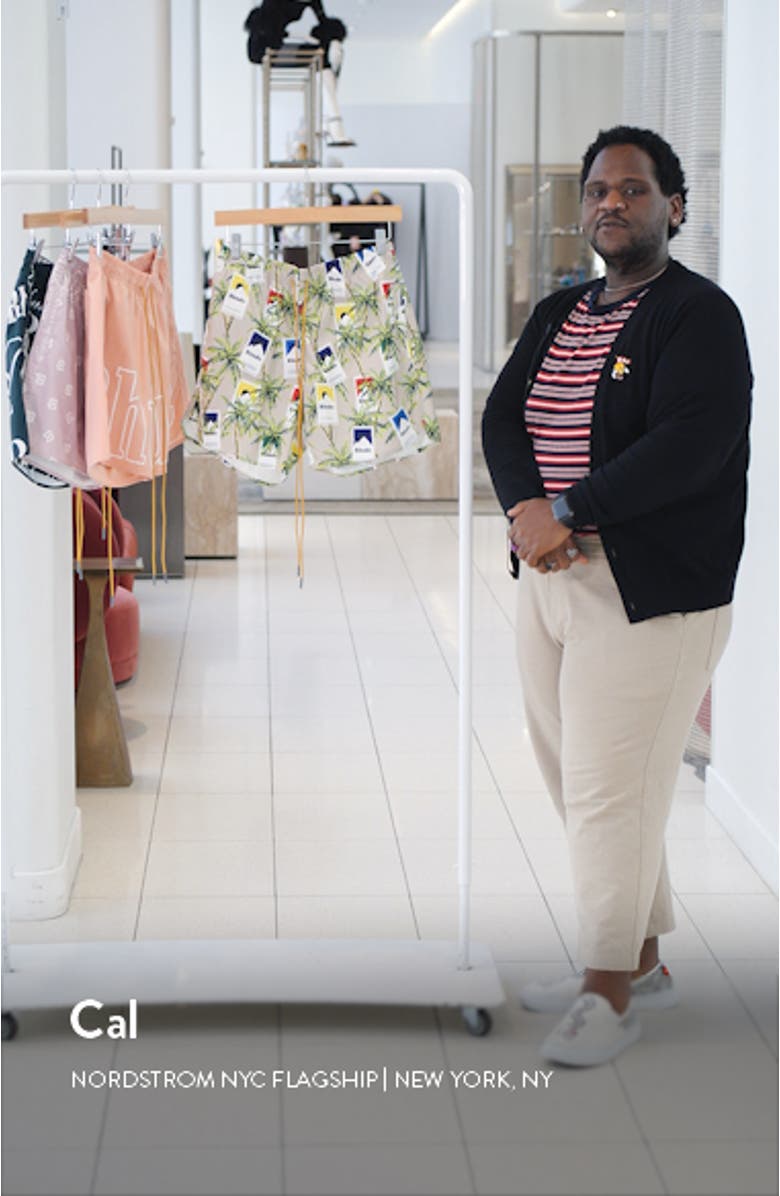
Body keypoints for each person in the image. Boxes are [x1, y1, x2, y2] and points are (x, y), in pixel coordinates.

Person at [481, 126, 752, 1067]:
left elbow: (689, 446)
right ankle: (641, 965)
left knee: (608, 791)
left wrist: (570, 508)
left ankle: (606, 995)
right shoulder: (561, 313)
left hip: (651, 594)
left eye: (634, 190)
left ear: (674, 207)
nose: (611, 203)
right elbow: (503, 411)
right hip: (552, 578)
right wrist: (526, 510)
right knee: (582, 780)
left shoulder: (698, 317)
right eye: (598, 188)